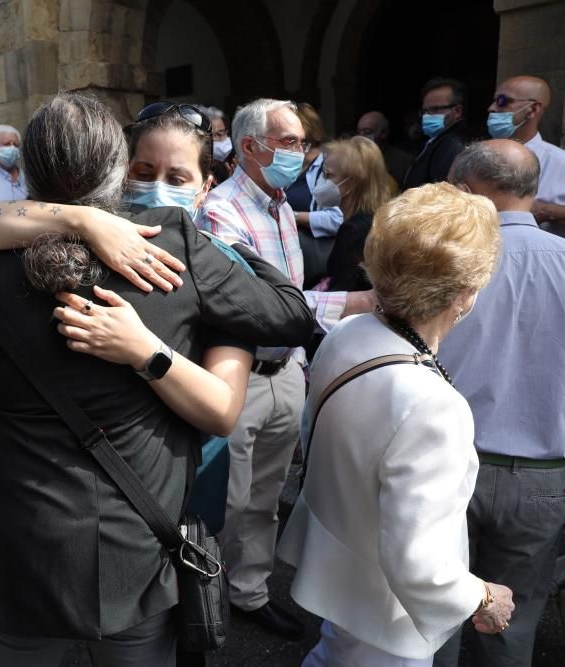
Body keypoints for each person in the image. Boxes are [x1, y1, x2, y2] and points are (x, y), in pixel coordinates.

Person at [0, 91, 313, 667]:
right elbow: (291, 313)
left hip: (20, 541)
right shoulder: (175, 246)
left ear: (28, 173)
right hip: (135, 547)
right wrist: (220, 248)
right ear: (118, 170)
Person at [281, 182, 514, 665]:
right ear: (464, 295)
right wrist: (484, 597)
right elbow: (417, 560)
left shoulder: (348, 333)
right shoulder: (434, 405)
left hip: (342, 573)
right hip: (389, 619)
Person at [430, 140, 565, 667]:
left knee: (434, 614)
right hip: (540, 473)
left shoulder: (441, 262)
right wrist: (562, 438)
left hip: (445, 463)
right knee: (511, 626)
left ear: (465, 189)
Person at [196, 98, 375, 640]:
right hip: (239, 375)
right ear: (251, 147)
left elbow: (288, 294)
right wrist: (353, 304)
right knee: (225, 500)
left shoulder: (278, 206)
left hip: (285, 369)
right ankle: (203, 600)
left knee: (266, 497)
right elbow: (255, 300)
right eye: (292, 142)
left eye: (303, 142)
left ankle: (248, 592)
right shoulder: (220, 211)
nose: (303, 153)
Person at [485, 75, 565, 241]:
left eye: (503, 101)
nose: (492, 108)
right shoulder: (479, 155)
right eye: (494, 100)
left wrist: (546, 211)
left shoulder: (561, 162)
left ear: (533, 109)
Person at [312, 136, 392, 292]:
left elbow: (343, 289)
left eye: (328, 175)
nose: (321, 181)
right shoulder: (378, 218)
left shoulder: (354, 230)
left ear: (351, 183)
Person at [286, 103, 344, 289]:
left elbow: (337, 219)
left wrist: (291, 216)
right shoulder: (289, 165)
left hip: (317, 262)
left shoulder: (328, 167)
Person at [403, 77, 471, 189]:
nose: (427, 116)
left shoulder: (454, 145)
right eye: (425, 111)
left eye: (435, 109)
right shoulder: (435, 140)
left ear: (457, 111)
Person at [357, 110, 414, 187]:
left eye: (367, 132)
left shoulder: (404, 161)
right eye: (359, 132)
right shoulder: (351, 157)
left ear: (383, 133)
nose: (361, 136)